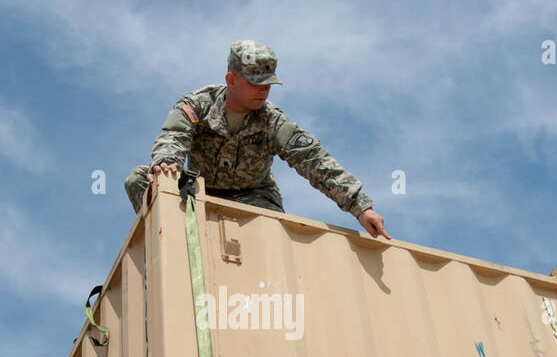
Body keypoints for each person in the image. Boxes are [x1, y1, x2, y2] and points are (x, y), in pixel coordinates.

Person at [125, 41, 390, 239]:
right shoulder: (198, 105)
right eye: (256, 82)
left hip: (253, 197)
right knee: (140, 179)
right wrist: (166, 164)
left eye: (268, 83)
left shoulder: (272, 121)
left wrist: (360, 207)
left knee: (268, 236)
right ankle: (168, 243)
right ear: (232, 79)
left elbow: (314, 160)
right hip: (200, 191)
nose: (264, 90)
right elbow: (173, 136)